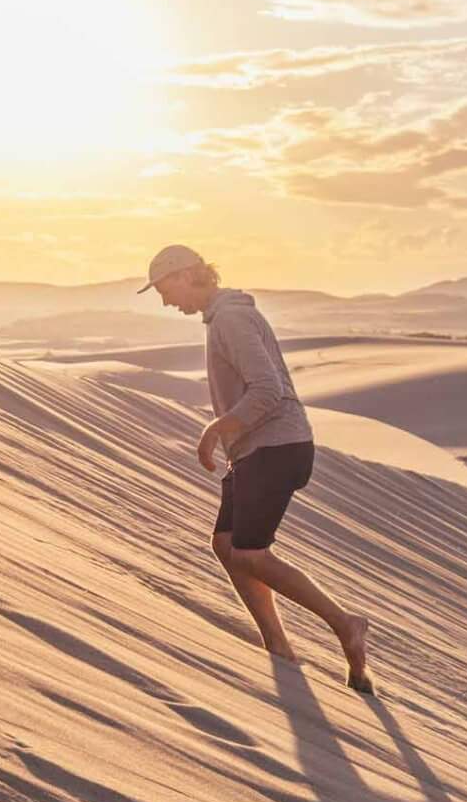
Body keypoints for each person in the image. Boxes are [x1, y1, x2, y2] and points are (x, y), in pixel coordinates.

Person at [140, 244, 373, 692]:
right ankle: (278, 647)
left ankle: (346, 624)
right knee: (226, 545)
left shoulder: (231, 318)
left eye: (166, 289)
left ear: (188, 275)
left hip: (276, 445)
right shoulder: (222, 317)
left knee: (249, 552)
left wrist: (215, 429)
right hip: (256, 448)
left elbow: (267, 390)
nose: (166, 302)